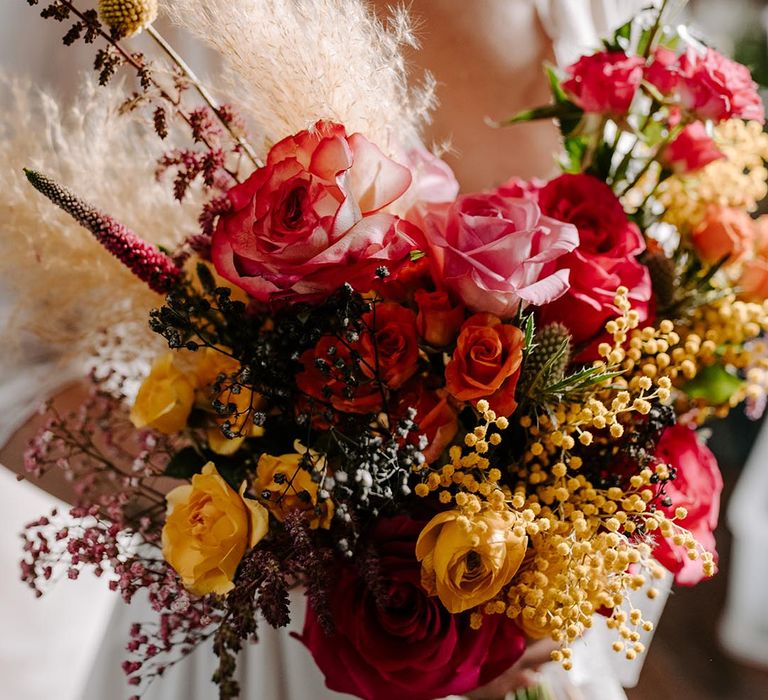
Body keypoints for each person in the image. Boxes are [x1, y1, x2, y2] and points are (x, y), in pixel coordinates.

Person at [0, 2, 651, 698]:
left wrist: (566, 576)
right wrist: (296, 538)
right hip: (280, 652)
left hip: (551, 644)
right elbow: (16, 378)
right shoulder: (130, 18)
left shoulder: (596, 11)